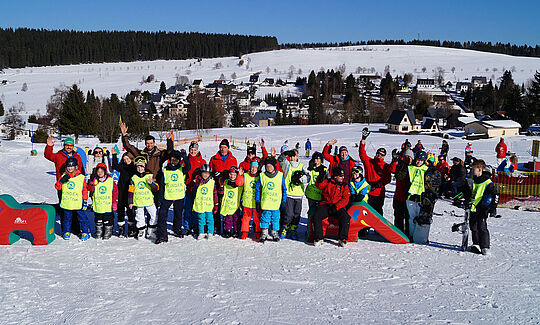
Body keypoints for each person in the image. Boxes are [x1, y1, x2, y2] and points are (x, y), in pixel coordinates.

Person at [120, 123, 173, 205]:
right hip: (143, 181)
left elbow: (169, 152)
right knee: (142, 203)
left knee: (154, 204)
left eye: (151, 143)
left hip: (155, 181)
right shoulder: (140, 154)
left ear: (154, 143)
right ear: (145, 144)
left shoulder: (159, 154)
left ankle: (153, 218)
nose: (149, 145)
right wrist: (124, 135)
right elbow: (129, 147)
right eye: (148, 143)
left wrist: (169, 140)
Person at [45, 136, 85, 235]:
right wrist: (49, 146)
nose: (69, 147)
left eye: (71, 145)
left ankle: (75, 229)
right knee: (64, 207)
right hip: (63, 186)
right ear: (64, 146)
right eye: (67, 145)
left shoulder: (77, 156)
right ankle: (65, 230)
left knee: (76, 208)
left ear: (73, 146)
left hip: (76, 187)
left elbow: (81, 169)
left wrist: (83, 182)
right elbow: (48, 155)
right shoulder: (59, 155)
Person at [155, 149, 191, 244]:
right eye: (172, 160)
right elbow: (162, 185)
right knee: (162, 215)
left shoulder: (182, 169)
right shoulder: (165, 170)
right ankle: (162, 235)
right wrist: (160, 199)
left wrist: (184, 156)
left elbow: (189, 166)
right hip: (168, 196)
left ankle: (177, 230)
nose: (174, 162)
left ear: (179, 161)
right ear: (169, 160)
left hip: (179, 196)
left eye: (176, 160)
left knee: (178, 214)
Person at [358, 129, 397, 215]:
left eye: (382, 154)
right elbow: (362, 154)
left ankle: (377, 228)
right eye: (378, 153)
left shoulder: (385, 166)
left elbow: (391, 174)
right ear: (376, 153)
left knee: (378, 212)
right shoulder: (369, 162)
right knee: (367, 212)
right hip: (368, 191)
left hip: (379, 193)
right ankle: (365, 228)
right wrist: (363, 140)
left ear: (384, 156)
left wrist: (394, 161)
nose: (379, 155)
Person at [464, 159, 498, 255]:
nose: (472, 170)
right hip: (473, 207)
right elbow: (467, 191)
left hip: (482, 208)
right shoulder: (472, 180)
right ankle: (476, 244)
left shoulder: (488, 182)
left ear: (479, 169)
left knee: (481, 227)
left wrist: (493, 208)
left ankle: (485, 246)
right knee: (473, 226)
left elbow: (495, 195)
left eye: (473, 169)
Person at [311, 167, 351, 247]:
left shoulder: (344, 185)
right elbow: (319, 185)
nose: (343, 177)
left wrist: (336, 207)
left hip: (337, 207)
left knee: (345, 217)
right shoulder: (328, 182)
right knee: (316, 216)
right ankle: (319, 238)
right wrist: (321, 176)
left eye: (343, 176)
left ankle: (342, 238)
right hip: (326, 205)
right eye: (340, 176)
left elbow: (345, 199)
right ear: (335, 176)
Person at [54, 157, 91, 241]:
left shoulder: (81, 177)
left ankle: (85, 232)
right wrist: (61, 181)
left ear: (75, 167)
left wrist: (85, 200)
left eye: (72, 166)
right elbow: (57, 187)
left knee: (82, 218)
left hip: (78, 202)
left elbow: (84, 190)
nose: (70, 168)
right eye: (68, 166)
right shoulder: (64, 176)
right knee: (67, 219)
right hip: (67, 202)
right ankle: (66, 231)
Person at [278, 149, 310, 240]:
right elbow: (280, 160)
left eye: (294, 156)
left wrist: (303, 178)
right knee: (288, 214)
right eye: (291, 156)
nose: (292, 158)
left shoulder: (301, 166)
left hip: (299, 195)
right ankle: (285, 227)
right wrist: (285, 154)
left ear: (297, 157)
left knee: (296, 214)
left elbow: (308, 176)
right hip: (289, 194)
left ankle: (293, 229)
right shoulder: (287, 165)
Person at [209, 139, 238, 234]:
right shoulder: (214, 158)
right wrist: (214, 174)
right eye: (221, 147)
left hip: (229, 187)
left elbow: (235, 173)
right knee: (216, 206)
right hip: (217, 186)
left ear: (228, 148)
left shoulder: (233, 159)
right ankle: (216, 227)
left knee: (227, 206)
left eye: (225, 147)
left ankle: (227, 228)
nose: (223, 149)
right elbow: (209, 172)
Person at [255, 156, 287, 242]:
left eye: (271, 166)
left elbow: (284, 189)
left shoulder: (280, 176)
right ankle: (264, 232)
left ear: (274, 166)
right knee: (264, 218)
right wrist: (257, 201)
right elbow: (258, 189)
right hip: (266, 203)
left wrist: (284, 201)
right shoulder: (262, 176)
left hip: (276, 203)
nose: (269, 168)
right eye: (267, 166)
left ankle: (274, 232)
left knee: (276, 218)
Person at [128, 156, 159, 240]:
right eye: (138, 166)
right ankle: (141, 231)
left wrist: (151, 183)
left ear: (145, 166)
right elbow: (130, 191)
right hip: (138, 202)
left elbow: (156, 188)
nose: (140, 168)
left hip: (149, 201)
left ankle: (151, 231)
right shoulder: (133, 178)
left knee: (154, 215)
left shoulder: (149, 175)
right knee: (139, 217)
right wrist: (130, 202)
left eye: (141, 166)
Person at [87, 163, 118, 240]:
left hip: (108, 205)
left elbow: (115, 192)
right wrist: (91, 183)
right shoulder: (95, 181)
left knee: (108, 219)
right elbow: (90, 190)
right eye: (98, 171)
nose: (100, 173)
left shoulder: (110, 181)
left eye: (101, 171)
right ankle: (99, 231)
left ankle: (108, 231)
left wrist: (115, 203)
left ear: (105, 171)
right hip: (98, 205)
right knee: (98, 219)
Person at [405, 151, 431, 243]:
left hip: (422, 197)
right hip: (411, 196)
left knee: (421, 218)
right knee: (412, 218)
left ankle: (420, 236)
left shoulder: (427, 170)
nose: (418, 162)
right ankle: (412, 235)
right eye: (417, 160)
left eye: (420, 160)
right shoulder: (410, 168)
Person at [184, 141, 207, 235]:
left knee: (197, 208)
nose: (193, 152)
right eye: (191, 150)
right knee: (188, 208)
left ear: (198, 151)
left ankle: (197, 225)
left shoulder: (202, 161)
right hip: (187, 187)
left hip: (198, 189)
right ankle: (187, 226)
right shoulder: (185, 160)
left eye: (195, 150)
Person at [192, 164, 219, 240]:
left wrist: (216, 203)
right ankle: (201, 232)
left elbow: (215, 193)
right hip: (200, 204)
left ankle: (210, 232)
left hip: (209, 205)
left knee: (210, 219)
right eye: (204, 173)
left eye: (207, 173)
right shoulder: (198, 182)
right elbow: (194, 187)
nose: (205, 175)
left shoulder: (212, 182)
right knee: (201, 219)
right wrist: (198, 181)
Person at [393, 148, 414, 237]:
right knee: (398, 218)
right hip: (398, 197)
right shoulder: (400, 166)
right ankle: (398, 234)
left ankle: (408, 234)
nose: (407, 159)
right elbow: (399, 177)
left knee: (408, 218)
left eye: (409, 157)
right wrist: (404, 165)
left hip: (409, 198)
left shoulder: (414, 168)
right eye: (405, 157)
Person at [239, 161, 262, 240]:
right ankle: (244, 232)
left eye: (255, 168)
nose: (253, 169)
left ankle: (258, 232)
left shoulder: (260, 176)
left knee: (257, 219)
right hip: (247, 202)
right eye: (252, 167)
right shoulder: (245, 175)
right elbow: (239, 183)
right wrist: (239, 175)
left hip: (256, 202)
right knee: (246, 219)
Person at [220, 166, 244, 238]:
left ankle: (236, 231)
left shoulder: (239, 184)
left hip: (236, 204)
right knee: (228, 219)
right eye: (231, 174)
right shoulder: (226, 182)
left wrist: (240, 175)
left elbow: (240, 182)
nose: (232, 176)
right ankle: (228, 230)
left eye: (234, 175)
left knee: (236, 219)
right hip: (228, 204)